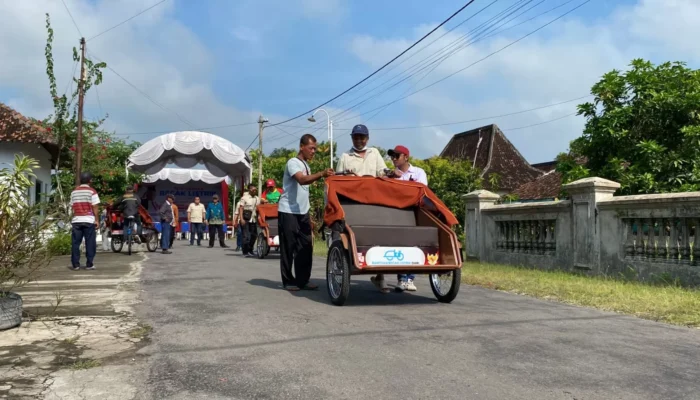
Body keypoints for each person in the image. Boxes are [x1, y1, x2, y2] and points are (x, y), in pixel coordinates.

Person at [337, 124, 392, 293]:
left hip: (373, 200)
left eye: (362, 137)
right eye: (356, 137)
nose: (359, 140)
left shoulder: (374, 153)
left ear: (367, 138)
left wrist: (389, 173)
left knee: (379, 234)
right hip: (352, 202)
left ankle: (380, 276)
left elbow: (382, 172)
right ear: (352, 138)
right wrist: (344, 175)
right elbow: (337, 180)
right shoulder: (345, 156)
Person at [278, 134, 334, 291]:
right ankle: (288, 280)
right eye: (311, 148)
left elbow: (304, 193)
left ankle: (303, 280)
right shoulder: (293, 163)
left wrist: (308, 214)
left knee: (306, 245)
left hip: (302, 212)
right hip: (288, 211)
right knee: (289, 247)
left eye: (315, 148)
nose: (314, 151)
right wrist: (322, 174)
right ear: (301, 146)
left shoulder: (306, 165)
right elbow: (301, 180)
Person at [387, 145, 428, 292]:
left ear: (406, 157)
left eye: (396, 156)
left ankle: (409, 278)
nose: (393, 159)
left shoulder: (418, 172)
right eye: (392, 156)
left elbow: (422, 192)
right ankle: (402, 278)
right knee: (399, 243)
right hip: (396, 213)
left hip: (415, 213)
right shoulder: (390, 175)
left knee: (413, 243)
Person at [70, 172, 100, 270]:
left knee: (75, 243)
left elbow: (72, 207)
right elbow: (95, 206)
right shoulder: (92, 191)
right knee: (90, 243)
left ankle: (75, 265)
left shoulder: (74, 192)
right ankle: (89, 264)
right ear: (90, 180)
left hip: (76, 220)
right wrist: (97, 220)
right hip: (88, 220)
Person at [238, 184, 263, 257]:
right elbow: (241, 208)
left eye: (255, 190)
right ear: (250, 189)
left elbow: (259, 208)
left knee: (254, 235)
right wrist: (241, 218)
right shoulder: (244, 198)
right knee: (246, 236)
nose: (254, 191)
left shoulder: (257, 198)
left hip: (254, 219)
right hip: (245, 218)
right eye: (253, 189)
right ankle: (245, 252)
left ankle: (250, 250)